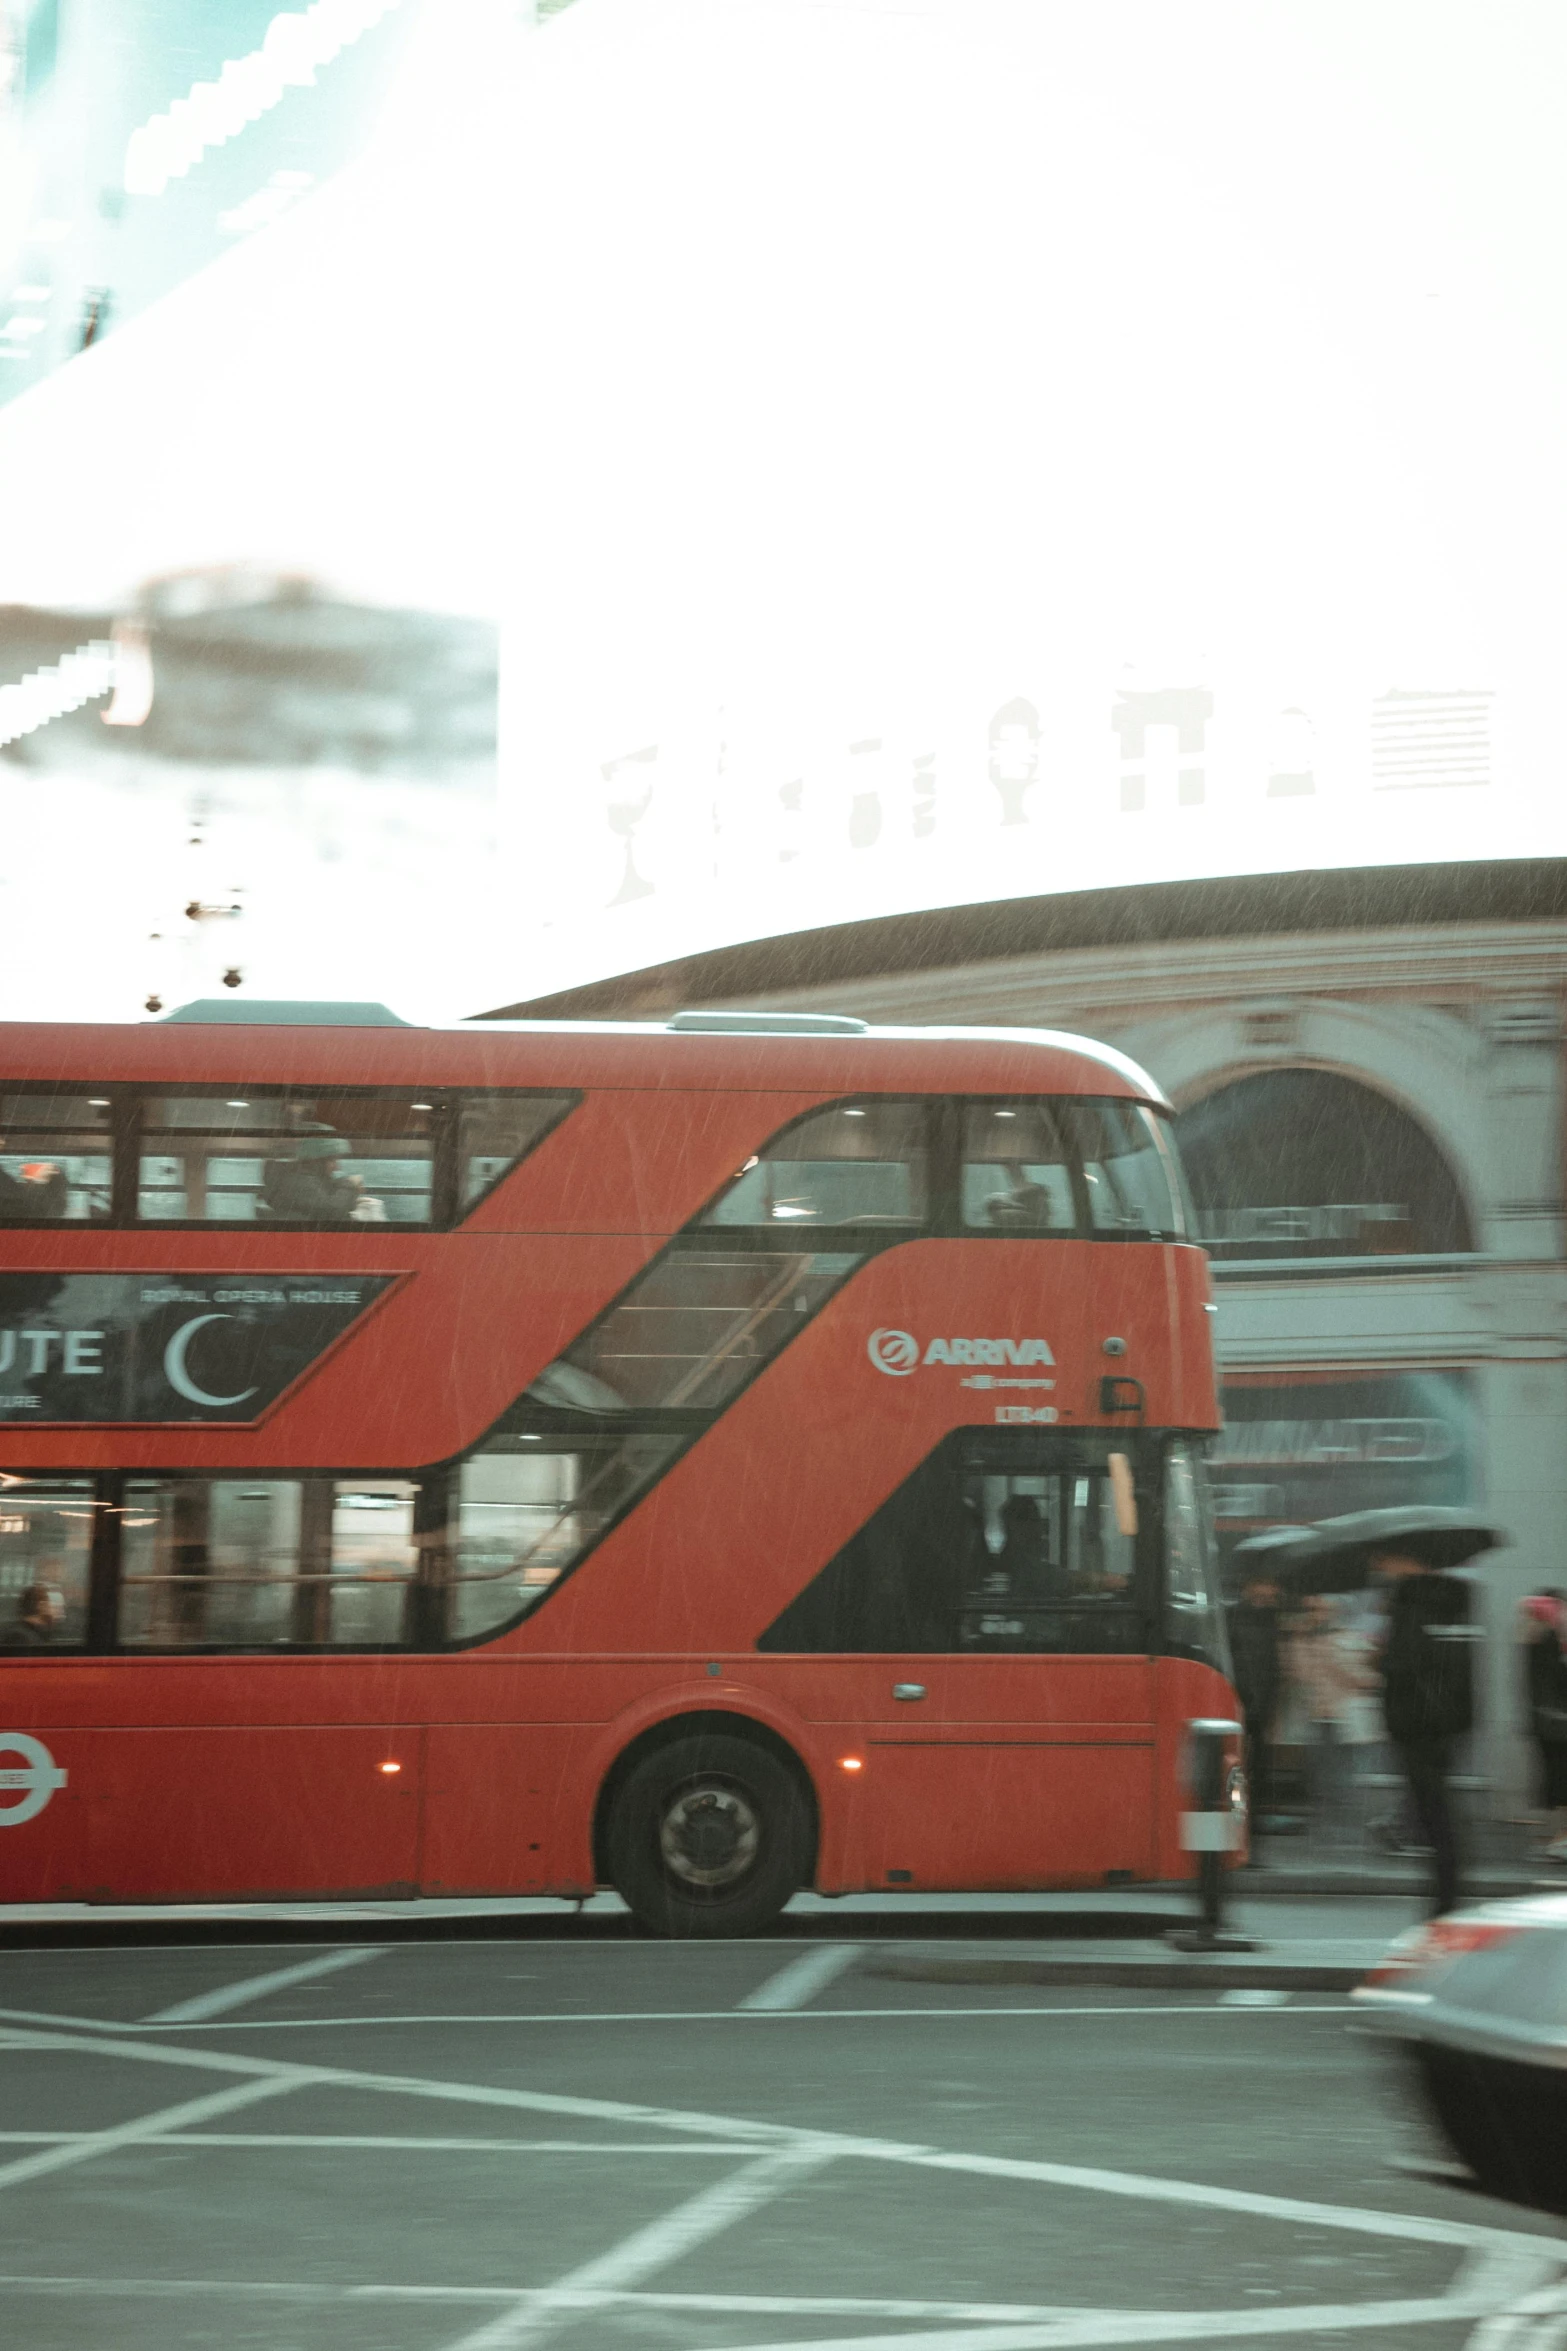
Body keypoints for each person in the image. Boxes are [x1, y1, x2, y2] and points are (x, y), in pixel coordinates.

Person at [1374, 1548, 1475, 1917]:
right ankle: (1446, 1897)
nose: (1381, 1565)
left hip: (1418, 1723)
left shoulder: (1411, 1604)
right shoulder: (1449, 1602)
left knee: (1435, 1813)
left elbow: (1407, 1664)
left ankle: (1446, 1902)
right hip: (1441, 1722)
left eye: (1385, 1558)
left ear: (1411, 1561)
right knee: (1435, 1812)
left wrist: (1383, 1659)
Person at [1287, 1593, 1376, 1847]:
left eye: (1320, 1609)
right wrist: (1299, 1639)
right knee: (1320, 1776)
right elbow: (1300, 1676)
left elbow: (1362, 1679)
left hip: (1344, 1719)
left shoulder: (1348, 1639)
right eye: (1312, 1610)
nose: (1316, 1615)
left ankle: (1348, 1830)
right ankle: (1326, 1830)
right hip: (1318, 1717)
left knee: (1343, 1777)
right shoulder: (1307, 1640)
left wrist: (1332, 1654)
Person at [1228, 1570, 1284, 1842]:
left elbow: (1272, 1670)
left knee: (1256, 1769)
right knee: (1240, 1769)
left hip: (1259, 1705)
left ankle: (1248, 1823)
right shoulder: (1234, 1619)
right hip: (1240, 1703)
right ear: (1249, 1586)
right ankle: (1240, 1821)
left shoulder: (1270, 1620)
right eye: (1264, 1582)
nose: (1269, 1590)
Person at [1521, 1590, 1567, 1861]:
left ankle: (1561, 1837)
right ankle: (1558, 1835)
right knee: (1553, 1781)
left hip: (1557, 1725)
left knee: (1559, 1781)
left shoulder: (1555, 1641)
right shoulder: (1538, 1641)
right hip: (1547, 1724)